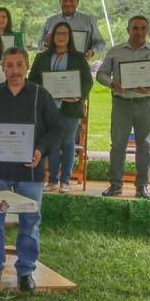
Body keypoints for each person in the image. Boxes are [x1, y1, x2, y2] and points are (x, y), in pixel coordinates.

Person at [0, 47, 63, 291]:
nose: (14, 70)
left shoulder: (41, 96)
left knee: (30, 221)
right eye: (9, 65)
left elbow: (56, 130)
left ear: (27, 66)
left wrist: (40, 150)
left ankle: (25, 272)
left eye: (19, 64)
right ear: (2, 69)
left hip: (29, 171)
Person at [95, 15, 150, 199]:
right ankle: (115, 185)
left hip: (147, 104)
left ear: (147, 30)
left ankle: (142, 187)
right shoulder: (116, 51)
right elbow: (101, 74)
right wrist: (112, 83)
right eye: (135, 28)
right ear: (128, 30)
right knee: (117, 145)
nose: (139, 32)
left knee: (145, 146)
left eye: (143, 28)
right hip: (122, 104)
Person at [28, 21, 94, 193]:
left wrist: (78, 96)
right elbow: (33, 80)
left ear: (69, 37)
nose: (61, 37)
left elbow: (87, 82)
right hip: (48, 108)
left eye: (64, 34)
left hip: (70, 108)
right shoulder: (42, 57)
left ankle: (65, 180)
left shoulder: (78, 58)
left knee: (67, 143)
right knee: (53, 144)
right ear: (52, 37)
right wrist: (41, 94)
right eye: (58, 34)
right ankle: (52, 181)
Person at [39, 0, 105, 60]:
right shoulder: (50, 21)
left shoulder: (88, 21)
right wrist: (46, 44)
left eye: (71, 0)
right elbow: (40, 45)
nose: (68, 3)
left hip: (79, 64)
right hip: (53, 66)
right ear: (60, 2)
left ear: (77, 2)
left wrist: (92, 52)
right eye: (64, 1)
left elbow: (100, 43)